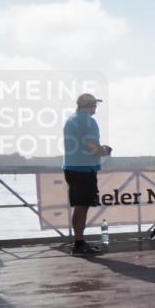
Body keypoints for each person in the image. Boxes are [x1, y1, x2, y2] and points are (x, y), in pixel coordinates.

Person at [63, 93, 112, 255]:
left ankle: (79, 241)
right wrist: (103, 151)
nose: (96, 107)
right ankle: (78, 243)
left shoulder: (71, 119)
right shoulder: (89, 121)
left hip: (70, 167)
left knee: (79, 206)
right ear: (91, 105)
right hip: (84, 169)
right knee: (82, 207)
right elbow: (92, 146)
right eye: (95, 104)